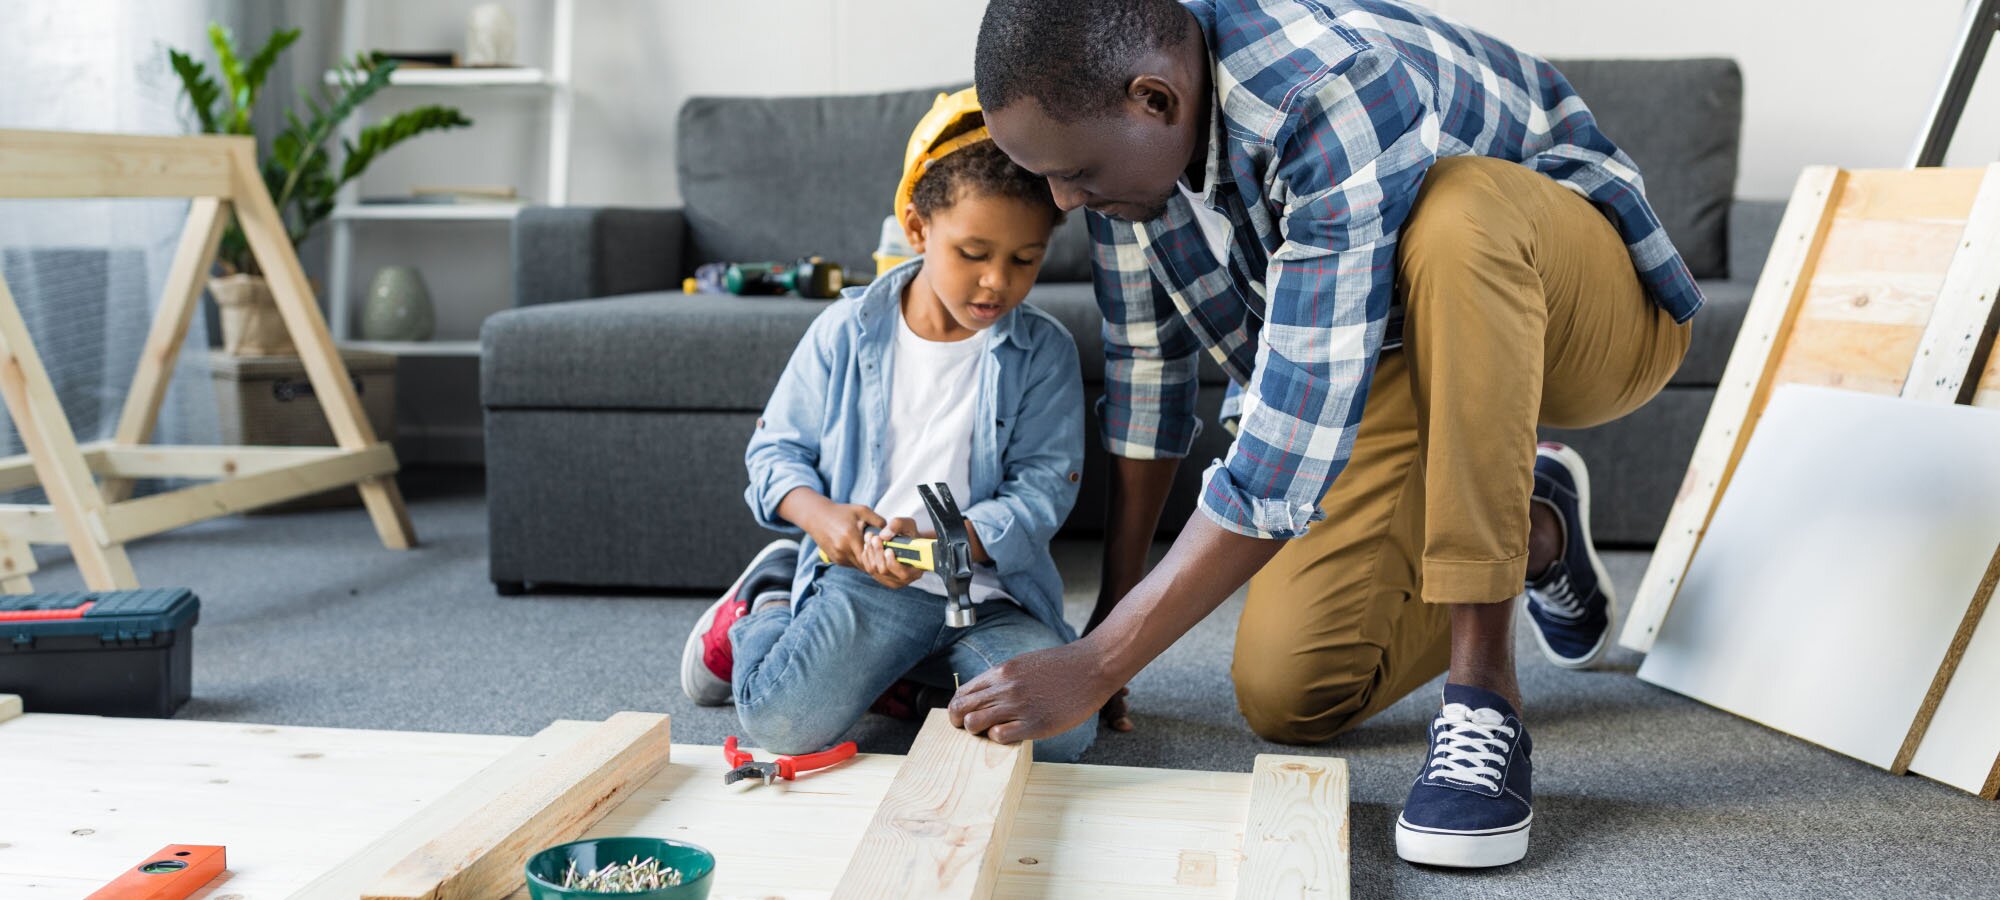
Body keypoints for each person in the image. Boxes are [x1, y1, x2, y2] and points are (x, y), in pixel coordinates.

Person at [950, 0, 1700, 867]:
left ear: (1155, 100)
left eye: (1074, 172)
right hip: (1382, 351)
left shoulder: (1325, 86)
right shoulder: (1124, 175)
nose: (1062, 200)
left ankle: (1483, 694)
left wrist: (1098, 662)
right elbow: (1148, 379)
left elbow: (1285, 442)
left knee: (1458, 217)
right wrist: (1112, 628)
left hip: (1581, 307)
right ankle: (1536, 530)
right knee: (1290, 691)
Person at [678, 90, 1096, 763]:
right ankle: (764, 606)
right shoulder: (844, 333)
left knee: (1064, 735)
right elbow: (775, 452)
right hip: (869, 583)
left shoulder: (1042, 352)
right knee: (783, 725)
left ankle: (902, 678)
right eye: (973, 252)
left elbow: (1040, 495)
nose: (996, 283)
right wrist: (823, 520)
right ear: (917, 227)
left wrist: (944, 540)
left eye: (1025, 260)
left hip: (989, 597)